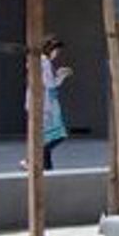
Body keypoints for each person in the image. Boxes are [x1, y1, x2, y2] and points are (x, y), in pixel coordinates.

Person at [35, 36, 73, 172]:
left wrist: (58, 76)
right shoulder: (43, 62)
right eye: (56, 51)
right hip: (47, 103)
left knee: (48, 136)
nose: (57, 54)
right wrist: (60, 75)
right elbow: (49, 84)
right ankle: (34, 159)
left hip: (47, 101)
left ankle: (46, 166)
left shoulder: (42, 62)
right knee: (57, 135)